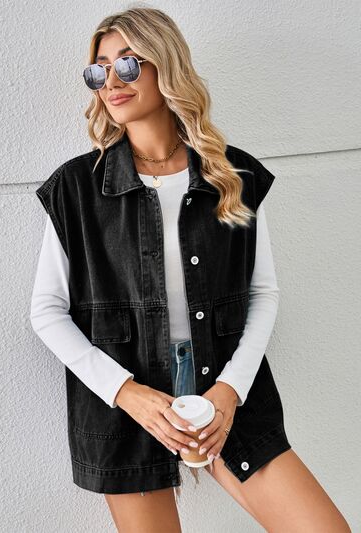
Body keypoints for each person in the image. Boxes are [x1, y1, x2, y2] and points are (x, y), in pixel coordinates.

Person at [30, 7, 351, 532]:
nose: (111, 82)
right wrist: (127, 393)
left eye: (127, 64)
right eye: (98, 70)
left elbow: (263, 293)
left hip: (225, 381)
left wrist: (231, 390)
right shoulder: (75, 188)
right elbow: (46, 311)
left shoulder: (232, 174)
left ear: (166, 65)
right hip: (124, 399)